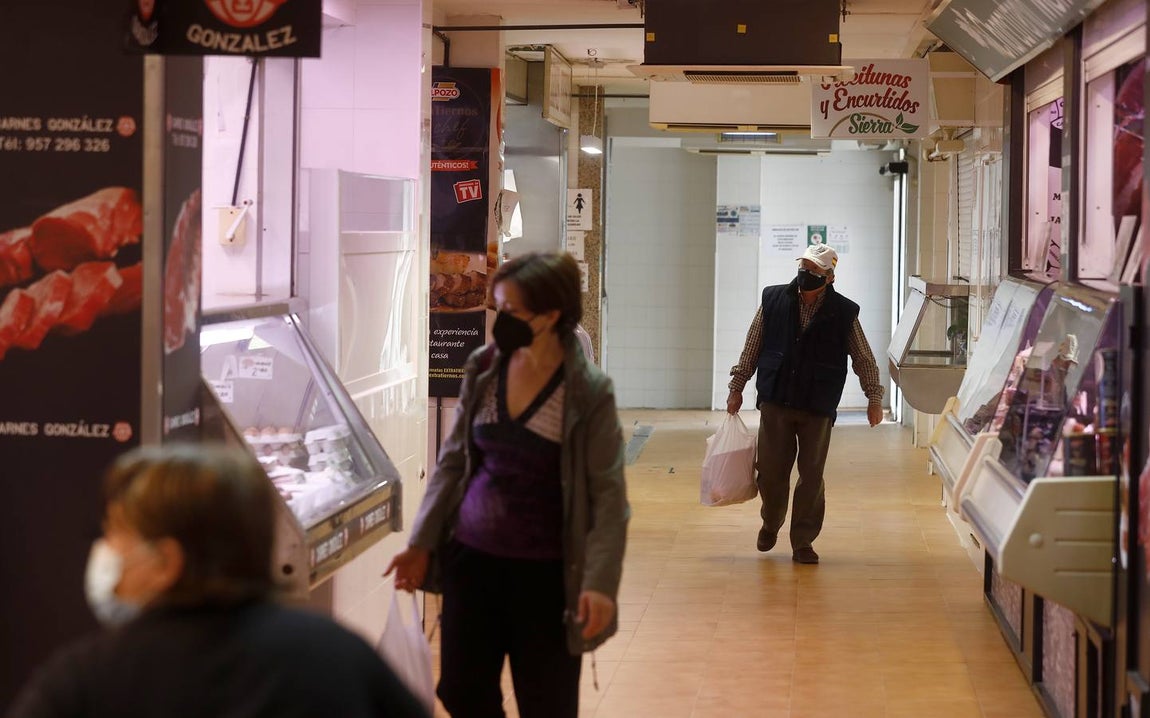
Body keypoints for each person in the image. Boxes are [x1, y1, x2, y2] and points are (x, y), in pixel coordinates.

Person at [9, 444, 429, 718]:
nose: (105, 550)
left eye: (116, 533)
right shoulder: (335, 653)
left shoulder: (88, 679)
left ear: (167, 562)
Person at [386, 251, 629, 718]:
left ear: (551, 314)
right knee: (461, 690)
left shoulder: (587, 392)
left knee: (547, 703)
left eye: (510, 311)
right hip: (472, 562)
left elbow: (608, 499)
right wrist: (421, 542)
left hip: (547, 577)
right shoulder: (485, 366)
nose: (499, 321)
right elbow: (453, 462)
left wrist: (599, 584)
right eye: (497, 308)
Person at [726, 243, 884, 565]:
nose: (806, 274)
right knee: (770, 472)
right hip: (777, 399)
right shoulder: (773, 299)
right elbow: (752, 344)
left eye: (815, 270)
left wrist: (874, 397)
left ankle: (803, 541)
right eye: (804, 267)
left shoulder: (844, 312)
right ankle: (771, 523)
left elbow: (863, 356)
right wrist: (737, 386)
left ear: (829, 277)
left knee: (811, 476)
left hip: (817, 405)